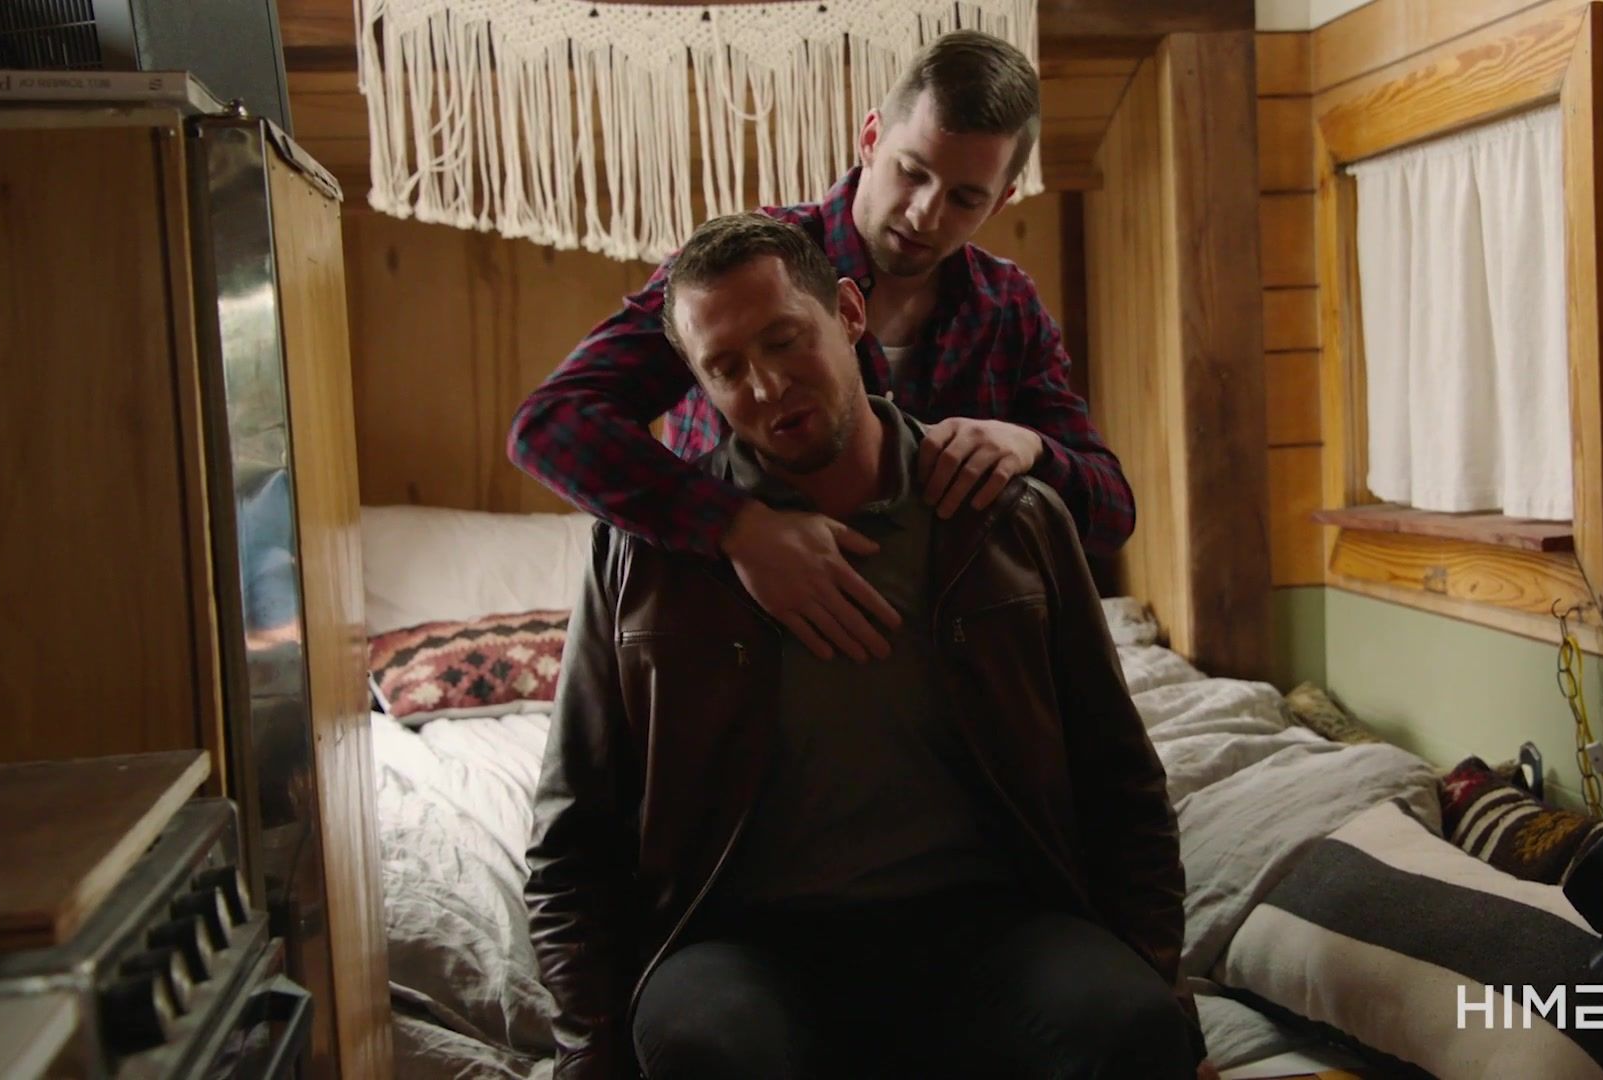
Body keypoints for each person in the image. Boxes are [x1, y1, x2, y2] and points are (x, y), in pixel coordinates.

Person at [525, 214, 1209, 1080]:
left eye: (785, 340)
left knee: (1130, 1031)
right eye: (725, 369)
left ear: (849, 313)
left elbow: (1121, 782)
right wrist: (587, 1059)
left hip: (993, 926)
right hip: (739, 944)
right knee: (706, 1051)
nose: (767, 386)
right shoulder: (641, 557)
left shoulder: (1010, 519)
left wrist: (1165, 994)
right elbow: (572, 836)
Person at [507, 29, 1135, 667]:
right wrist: (737, 527)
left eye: (965, 197)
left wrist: (1030, 448)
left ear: (1001, 200)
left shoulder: (1007, 307)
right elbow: (551, 424)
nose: (924, 213)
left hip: (937, 658)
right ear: (871, 138)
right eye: (911, 172)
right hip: (733, 645)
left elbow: (1111, 514)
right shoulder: (743, 271)